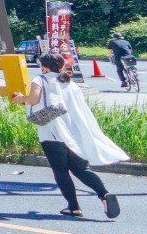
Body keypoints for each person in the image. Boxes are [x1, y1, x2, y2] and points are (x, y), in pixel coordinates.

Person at [23, 53, 124, 219]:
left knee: (61, 171)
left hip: (52, 132)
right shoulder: (70, 83)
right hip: (74, 134)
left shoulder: (40, 79)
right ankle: (104, 195)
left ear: (45, 67)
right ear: (61, 67)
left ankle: (74, 206)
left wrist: (21, 98)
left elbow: (33, 99)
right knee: (82, 170)